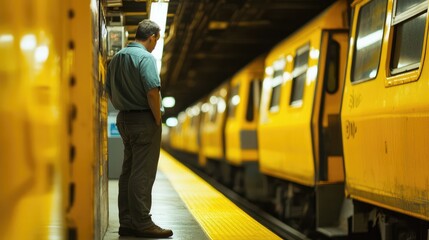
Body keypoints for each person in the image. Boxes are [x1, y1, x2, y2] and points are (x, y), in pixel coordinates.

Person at [106, 19, 172, 238]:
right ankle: (142, 222)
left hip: (123, 118)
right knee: (142, 172)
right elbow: (152, 92)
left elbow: (108, 92)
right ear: (151, 36)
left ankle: (127, 221)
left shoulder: (116, 59)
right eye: (157, 40)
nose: (155, 45)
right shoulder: (145, 58)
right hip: (144, 119)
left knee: (128, 170)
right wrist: (157, 118)